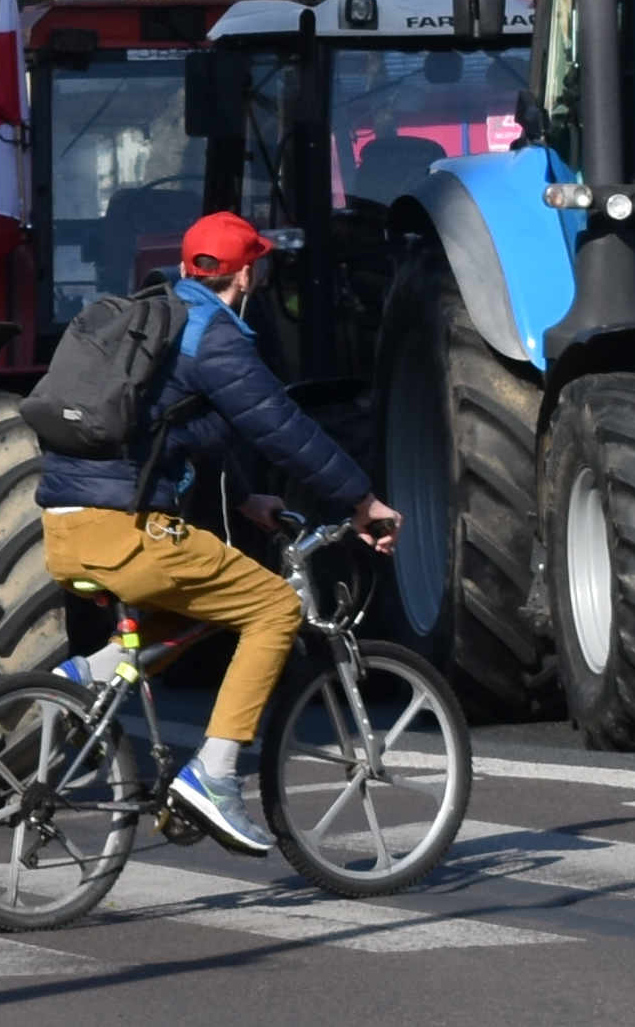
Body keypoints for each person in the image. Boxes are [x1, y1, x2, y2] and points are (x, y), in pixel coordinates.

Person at [35, 214, 400, 856]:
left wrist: (248, 496)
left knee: (213, 600)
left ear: (186, 267)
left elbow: (179, 427)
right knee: (273, 606)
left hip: (65, 527)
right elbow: (280, 426)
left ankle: (88, 672)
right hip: (130, 532)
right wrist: (362, 500)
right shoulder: (215, 336)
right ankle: (216, 773)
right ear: (249, 274)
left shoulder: (153, 321)